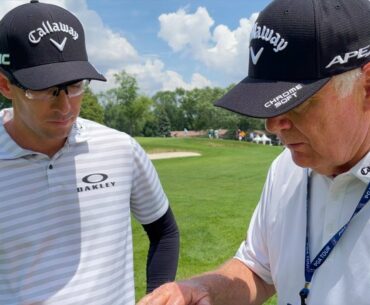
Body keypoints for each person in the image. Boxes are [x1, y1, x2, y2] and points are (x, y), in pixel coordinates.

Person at [137, 0, 370, 304]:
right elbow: (259, 270)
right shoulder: (286, 169)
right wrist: (204, 289)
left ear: (366, 85)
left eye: (298, 102)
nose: (273, 125)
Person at [0, 1, 179, 305]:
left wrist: (158, 295)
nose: (65, 106)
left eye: (75, 86)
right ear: (5, 85)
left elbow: (164, 232)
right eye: (44, 89)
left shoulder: (120, 149)